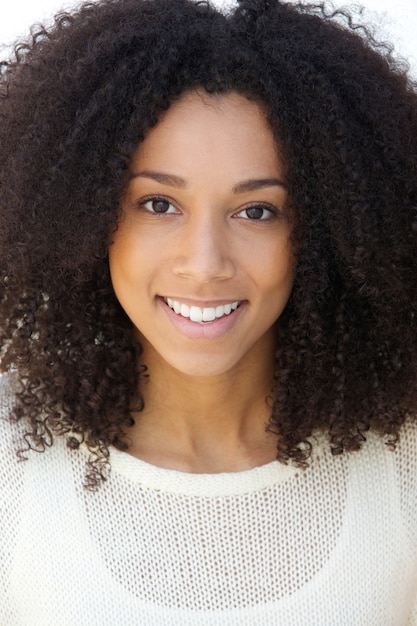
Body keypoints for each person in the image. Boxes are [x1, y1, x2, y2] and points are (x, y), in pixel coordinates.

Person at [1, 0, 417, 623]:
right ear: (83, 217)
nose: (204, 264)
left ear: (332, 234)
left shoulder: (404, 462)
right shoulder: (12, 463)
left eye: (258, 211)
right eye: (158, 204)